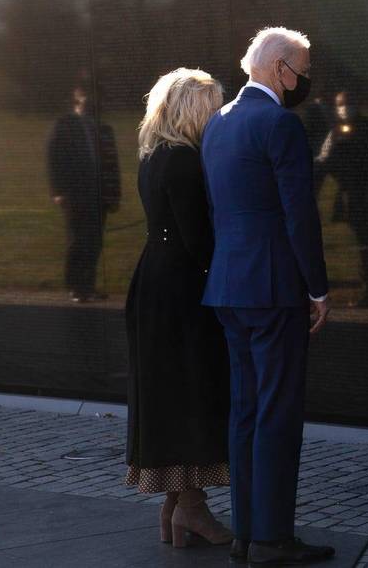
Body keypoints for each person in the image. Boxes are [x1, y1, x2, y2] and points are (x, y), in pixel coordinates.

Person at [202, 27, 334, 565]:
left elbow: (218, 211)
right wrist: (318, 288)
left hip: (230, 286)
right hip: (274, 287)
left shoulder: (218, 124)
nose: (303, 82)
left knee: (246, 410)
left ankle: (244, 532)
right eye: (302, 72)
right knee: (277, 411)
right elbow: (299, 214)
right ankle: (273, 537)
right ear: (279, 68)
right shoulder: (279, 124)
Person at [124, 68, 233, 548]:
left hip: (155, 282)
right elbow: (199, 241)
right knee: (189, 391)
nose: (218, 116)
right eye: (212, 107)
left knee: (170, 392)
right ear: (194, 109)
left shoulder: (153, 155)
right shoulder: (185, 161)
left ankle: (176, 508)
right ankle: (192, 508)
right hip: (180, 292)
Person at [316, 91, 368, 306]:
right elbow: (323, 161)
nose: (344, 108)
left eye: (348, 103)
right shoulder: (335, 134)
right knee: (363, 245)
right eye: (340, 104)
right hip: (354, 197)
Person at [46, 84, 120, 302]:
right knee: (78, 240)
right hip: (75, 195)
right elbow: (54, 158)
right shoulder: (64, 125)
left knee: (94, 242)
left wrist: (113, 195)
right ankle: (76, 287)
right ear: (76, 99)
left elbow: (111, 164)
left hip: (98, 196)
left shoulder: (104, 129)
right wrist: (58, 191)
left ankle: (88, 285)